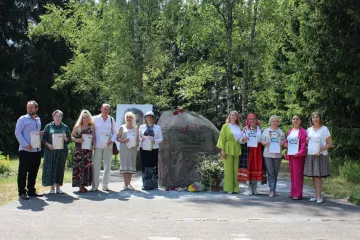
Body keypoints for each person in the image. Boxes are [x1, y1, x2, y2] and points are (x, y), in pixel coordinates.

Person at [15, 101, 43, 200]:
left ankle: (31, 191)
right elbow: (18, 133)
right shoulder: (22, 119)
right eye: (28, 107)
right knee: (23, 172)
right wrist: (26, 145)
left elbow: (34, 133)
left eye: (31, 107)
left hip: (36, 150)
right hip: (25, 150)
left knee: (34, 171)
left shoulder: (38, 119)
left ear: (36, 108)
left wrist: (40, 134)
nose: (29, 109)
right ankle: (22, 192)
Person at [304, 112, 332, 204]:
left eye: (317, 117)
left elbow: (329, 143)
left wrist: (320, 149)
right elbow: (307, 144)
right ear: (311, 119)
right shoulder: (308, 130)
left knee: (318, 176)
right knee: (313, 175)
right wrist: (306, 141)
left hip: (320, 155)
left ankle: (319, 196)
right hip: (311, 155)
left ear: (320, 118)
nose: (315, 119)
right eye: (313, 117)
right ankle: (316, 195)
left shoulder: (324, 129)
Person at [41, 110, 72, 194]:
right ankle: (51, 188)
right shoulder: (48, 126)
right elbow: (43, 139)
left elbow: (70, 140)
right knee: (50, 168)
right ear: (53, 117)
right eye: (56, 116)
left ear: (61, 117)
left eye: (59, 116)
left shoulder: (65, 127)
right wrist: (48, 144)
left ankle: (58, 188)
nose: (58, 118)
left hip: (61, 152)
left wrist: (66, 138)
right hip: (50, 151)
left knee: (59, 169)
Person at [92, 104, 117, 191]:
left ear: (109, 110)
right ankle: (95, 186)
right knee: (96, 166)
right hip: (97, 145)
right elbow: (91, 131)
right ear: (101, 109)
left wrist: (112, 140)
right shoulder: (94, 118)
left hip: (108, 145)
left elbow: (115, 132)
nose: (106, 111)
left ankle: (105, 185)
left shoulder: (111, 119)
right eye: (104, 109)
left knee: (107, 166)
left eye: (108, 109)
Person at [238, 113, 265, 195]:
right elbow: (240, 140)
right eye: (250, 119)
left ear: (256, 120)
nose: (252, 120)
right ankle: (249, 188)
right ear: (248, 120)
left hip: (258, 150)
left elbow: (263, 138)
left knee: (256, 168)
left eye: (254, 119)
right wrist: (244, 139)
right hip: (248, 150)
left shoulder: (260, 129)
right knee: (248, 168)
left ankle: (255, 187)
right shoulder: (245, 129)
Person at [217, 111, 242, 195]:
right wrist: (222, 150)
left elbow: (241, 139)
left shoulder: (240, 126)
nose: (233, 116)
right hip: (227, 149)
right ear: (229, 116)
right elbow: (221, 138)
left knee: (236, 170)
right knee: (228, 170)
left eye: (235, 115)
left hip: (237, 148)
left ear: (237, 117)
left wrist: (244, 140)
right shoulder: (225, 126)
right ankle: (228, 188)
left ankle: (235, 188)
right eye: (231, 115)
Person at [71, 110, 95, 193]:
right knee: (78, 167)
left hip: (88, 151)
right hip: (79, 151)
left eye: (87, 117)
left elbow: (94, 138)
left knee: (86, 167)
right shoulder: (77, 126)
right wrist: (77, 140)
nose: (86, 119)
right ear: (81, 118)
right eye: (84, 118)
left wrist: (93, 146)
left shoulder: (92, 126)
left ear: (89, 118)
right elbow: (71, 137)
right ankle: (80, 186)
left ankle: (84, 185)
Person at [261, 115, 285, 198]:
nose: (275, 122)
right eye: (273, 121)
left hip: (277, 154)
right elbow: (262, 141)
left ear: (278, 122)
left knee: (275, 173)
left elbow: (283, 142)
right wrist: (265, 143)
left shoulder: (281, 132)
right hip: (267, 154)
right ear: (270, 122)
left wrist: (282, 143)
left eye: (276, 121)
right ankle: (272, 190)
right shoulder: (266, 131)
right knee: (270, 172)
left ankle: (273, 189)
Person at [284, 115, 307, 200]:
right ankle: (292, 192)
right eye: (294, 119)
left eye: (297, 119)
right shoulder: (290, 131)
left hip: (298, 156)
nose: (295, 120)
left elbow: (303, 143)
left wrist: (300, 153)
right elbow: (287, 142)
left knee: (298, 175)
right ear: (292, 121)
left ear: (300, 121)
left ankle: (298, 194)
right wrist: (285, 145)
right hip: (291, 155)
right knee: (293, 175)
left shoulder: (303, 131)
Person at [139, 111, 163, 190]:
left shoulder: (157, 127)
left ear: (153, 118)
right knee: (145, 166)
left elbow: (161, 138)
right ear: (145, 118)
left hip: (154, 149)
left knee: (154, 165)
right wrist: (141, 139)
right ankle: (145, 184)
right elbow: (138, 137)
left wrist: (154, 141)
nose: (149, 119)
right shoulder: (141, 127)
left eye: (150, 117)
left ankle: (154, 184)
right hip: (144, 149)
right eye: (147, 117)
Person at [117, 112, 138, 190]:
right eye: (127, 117)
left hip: (133, 148)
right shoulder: (122, 127)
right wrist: (123, 141)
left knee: (131, 165)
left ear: (133, 118)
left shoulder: (136, 128)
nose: (129, 118)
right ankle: (125, 185)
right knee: (125, 165)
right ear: (125, 118)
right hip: (124, 148)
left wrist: (137, 143)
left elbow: (138, 139)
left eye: (130, 117)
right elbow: (117, 138)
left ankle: (129, 184)